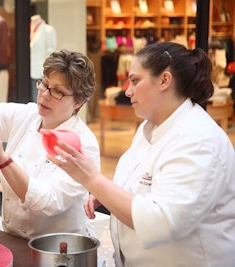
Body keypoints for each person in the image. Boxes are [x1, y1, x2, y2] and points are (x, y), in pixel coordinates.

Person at [47, 42, 235, 266]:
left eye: (135, 81)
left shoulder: (199, 142)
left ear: (164, 80)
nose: (127, 91)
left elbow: (159, 222)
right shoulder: (151, 126)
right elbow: (146, 186)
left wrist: (93, 180)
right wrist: (108, 193)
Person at [0, 49, 101, 240]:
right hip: (13, 238)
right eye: (44, 84)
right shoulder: (26, 115)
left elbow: (49, 201)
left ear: (79, 101)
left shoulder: (84, 143)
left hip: (58, 248)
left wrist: (2, 159)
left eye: (58, 92)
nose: (45, 95)